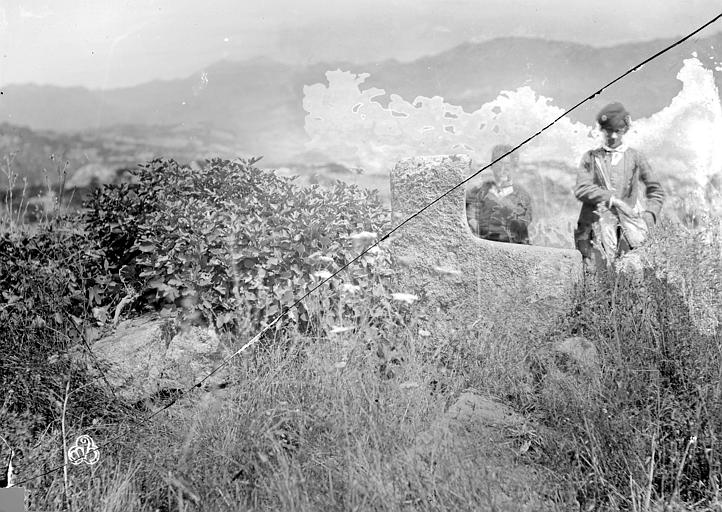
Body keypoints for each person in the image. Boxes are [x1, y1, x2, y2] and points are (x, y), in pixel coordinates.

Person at [574, 102, 665, 270]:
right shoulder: (591, 157)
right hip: (596, 226)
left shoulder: (635, 157)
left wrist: (650, 214)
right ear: (602, 130)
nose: (613, 136)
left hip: (629, 228)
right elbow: (582, 188)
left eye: (618, 130)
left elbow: (656, 190)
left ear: (625, 130)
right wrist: (612, 200)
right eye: (609, 130)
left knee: (631, 271)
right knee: (596, 273)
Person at [466, 144, 533, 244]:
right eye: (499, 163)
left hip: (511, 246)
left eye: (507, 164)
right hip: (484, 244)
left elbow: (522, 225)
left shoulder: (521, 195)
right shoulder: (480, 191)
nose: (503, 169)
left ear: (514, 167)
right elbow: (470, 217)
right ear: (492, 166)